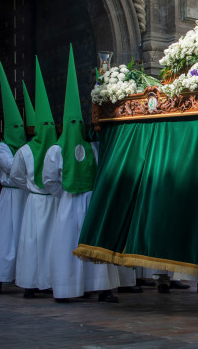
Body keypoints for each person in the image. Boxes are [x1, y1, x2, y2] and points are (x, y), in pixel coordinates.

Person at [43, 45, 119, 303]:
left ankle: (101, 288)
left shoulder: (91, 147)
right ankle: (68, 289)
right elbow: (50, 180)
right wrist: (65, 192)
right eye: (72, 123)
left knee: (92, 242)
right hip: (70, 201)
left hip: (87, 200)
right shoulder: (56, 150)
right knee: (69, 244)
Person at [11, 58, 60, 297]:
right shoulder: (24, 151)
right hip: (37, 200)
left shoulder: (57, 149)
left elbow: (17, 176)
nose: (49, 127)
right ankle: (30, 283)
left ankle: (50, 281)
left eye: (52, 124)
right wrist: (32, 187)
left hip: (50, 200)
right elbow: (16, 175)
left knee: (51, 243)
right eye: (46, 124)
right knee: (32, 242)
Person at [0, 58, 29, 294]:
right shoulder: (2, 147)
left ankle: (25, 278)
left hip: (24, 194)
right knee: (5, 237)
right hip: (10, 196)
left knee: (24, 236)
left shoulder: (25, 147)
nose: (18, 132)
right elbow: (13, 168)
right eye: (15, 128)